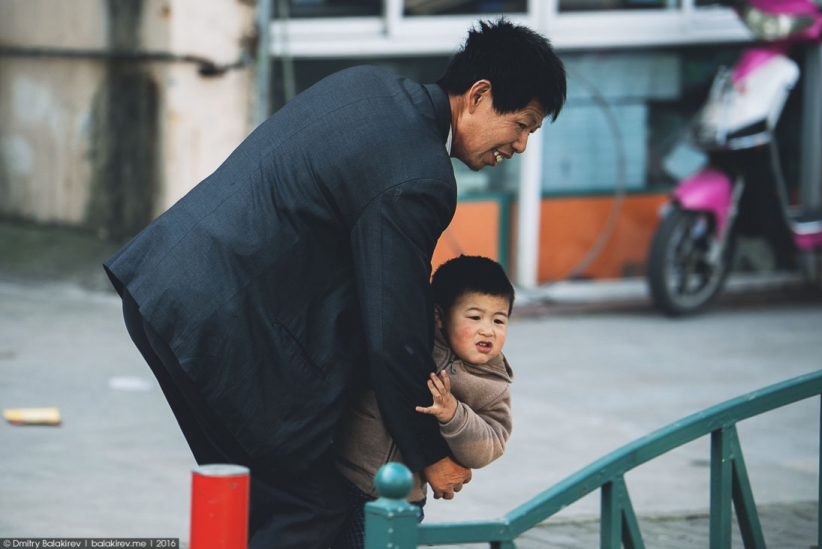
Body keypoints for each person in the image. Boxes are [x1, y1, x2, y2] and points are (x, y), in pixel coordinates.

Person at [103, 17, 566, 549]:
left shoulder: (368, 86)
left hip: (165, 287)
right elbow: (394, 330)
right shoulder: (420, 175)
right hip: (221, 325)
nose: (523, 145)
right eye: (523, 124)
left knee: (255, 496)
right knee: (308, 508)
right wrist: (431, 456)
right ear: (479, 95)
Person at [332, 255, 515, 549]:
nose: (488, 329)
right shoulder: (416, 344)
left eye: (498, 319)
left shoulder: (493, 384)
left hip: (403, 498)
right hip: (345, 471)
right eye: (475, 317)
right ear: (440, 316)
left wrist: (453, 414)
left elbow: (490, 446)